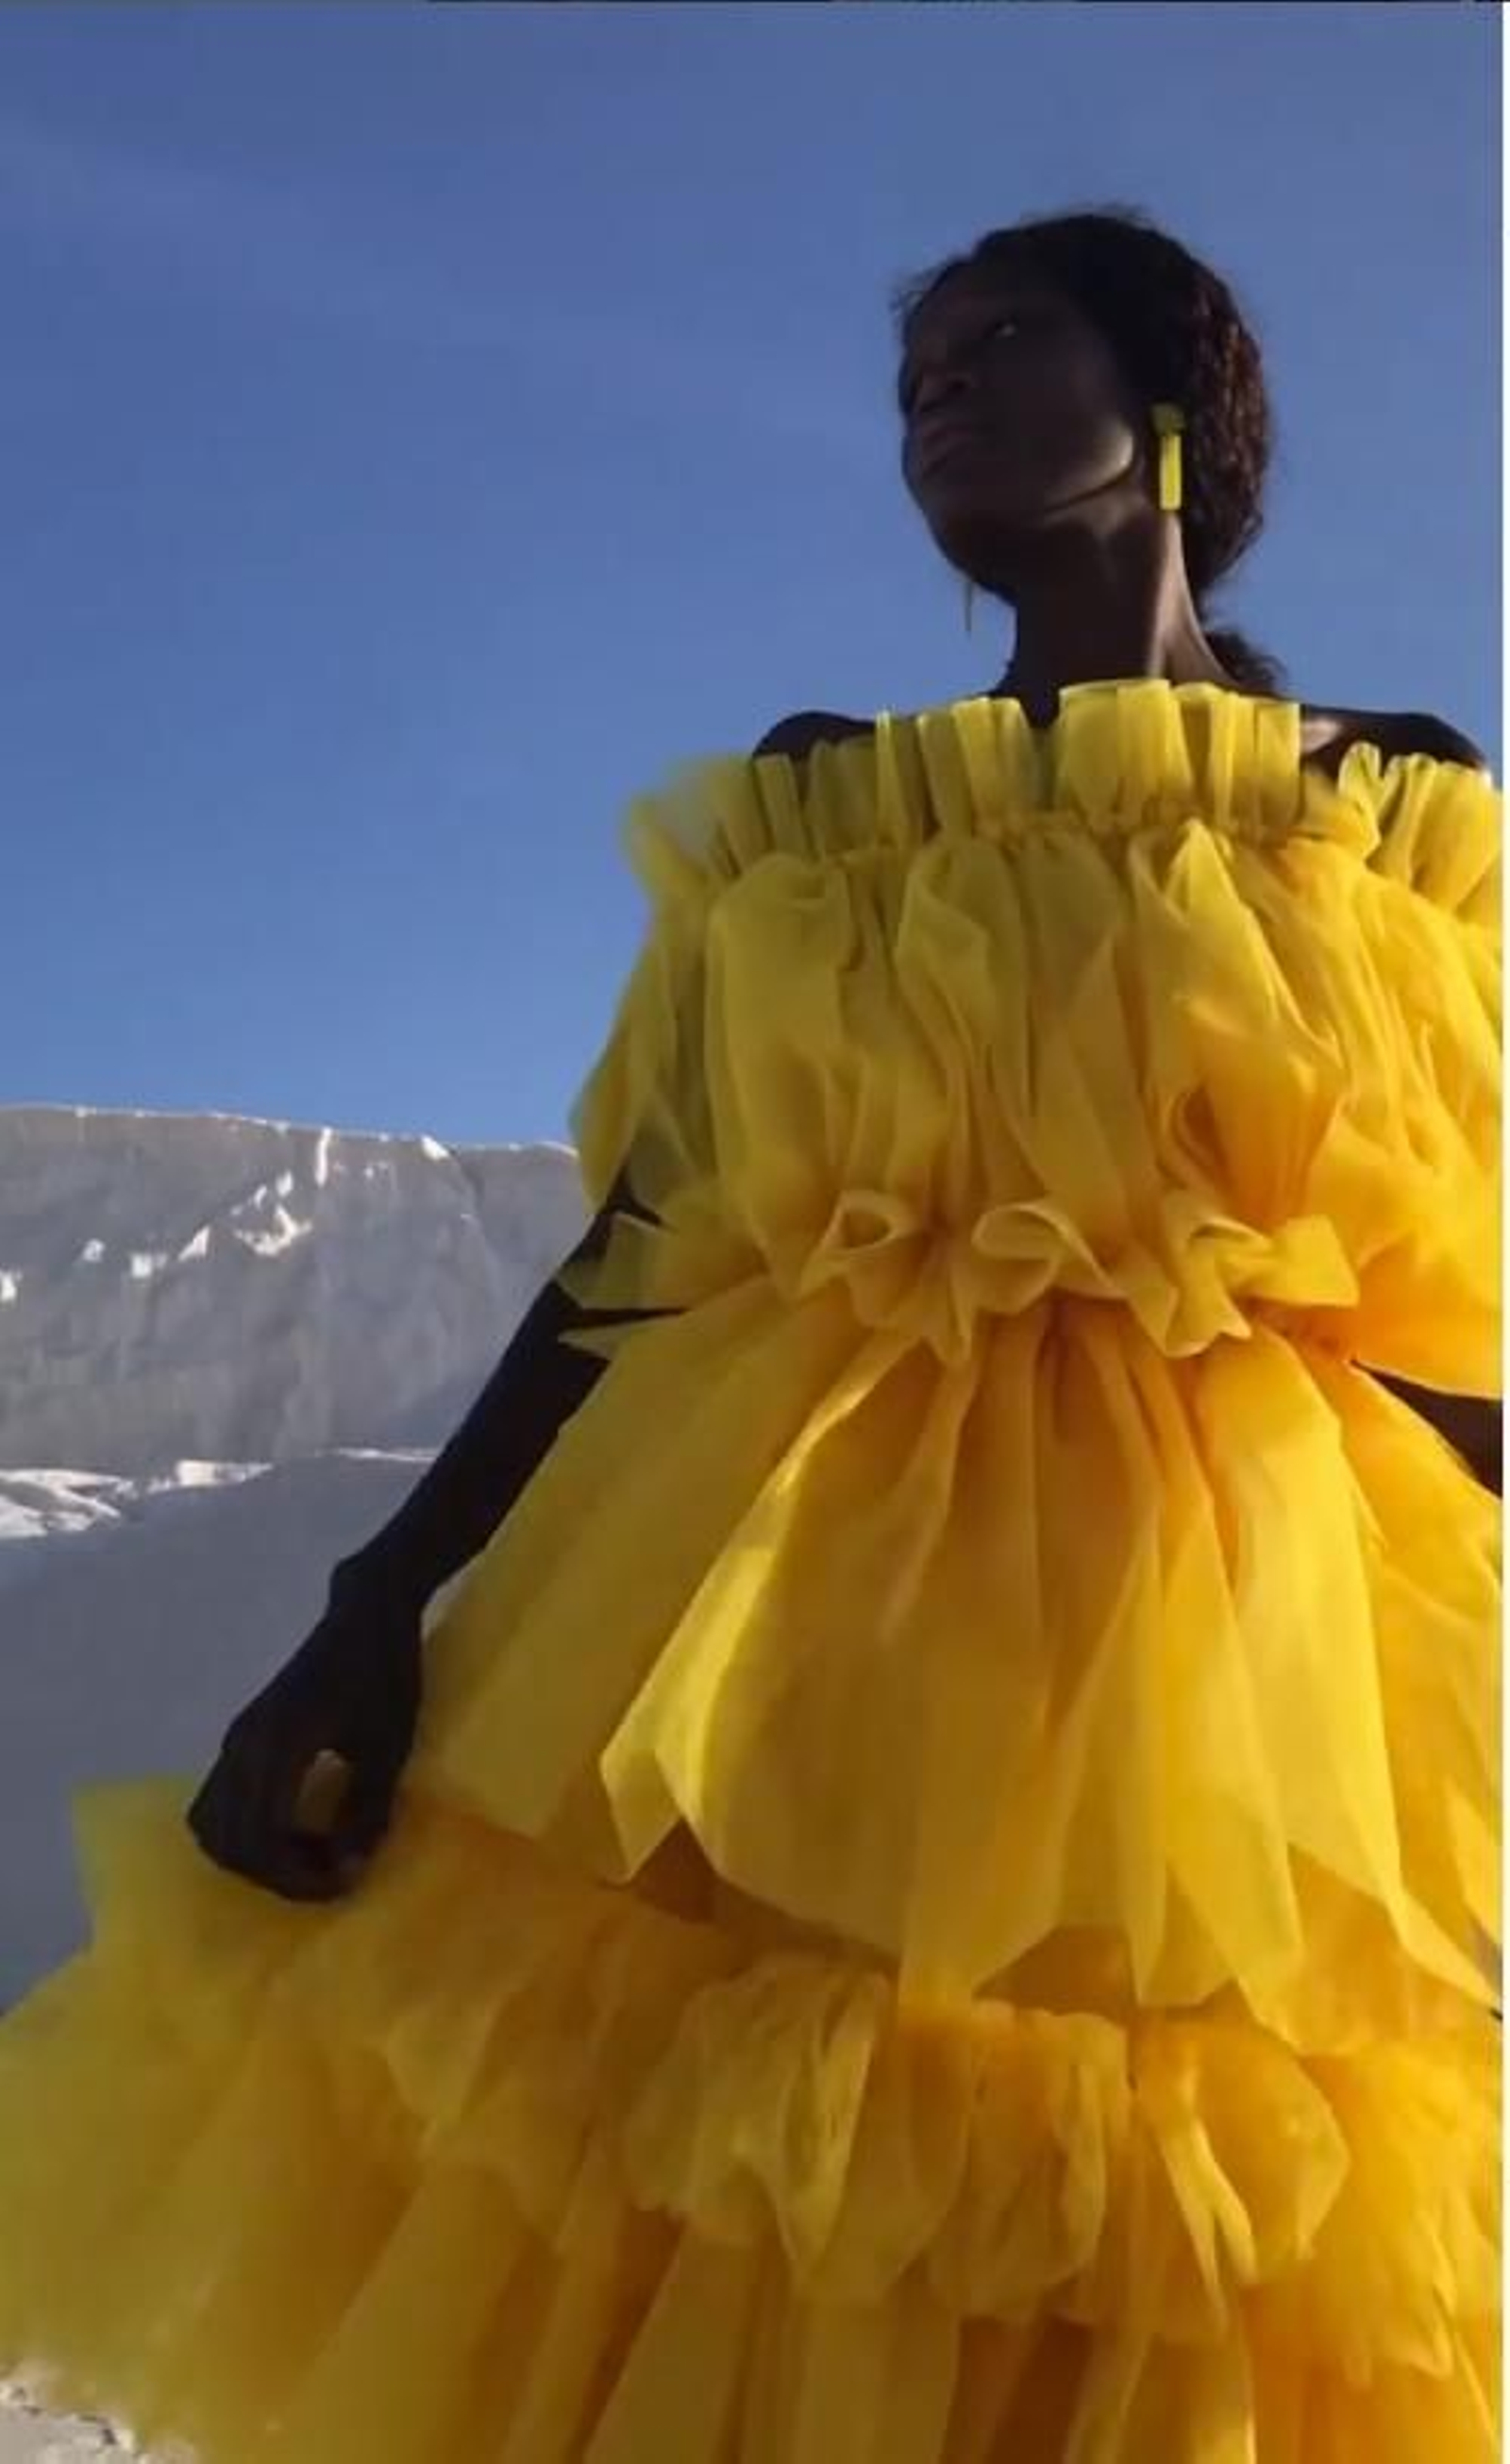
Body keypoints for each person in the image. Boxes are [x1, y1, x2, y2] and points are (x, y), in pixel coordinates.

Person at [0, 204, 1498, 2464]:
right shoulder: (813, 809)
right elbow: (640, 1243)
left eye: (1005, 341)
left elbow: (1454, 1291)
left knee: (1151, 2222)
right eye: (917, 367)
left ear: (1171, 407)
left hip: (1224, 1690)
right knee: (736, 2205)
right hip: (774, 1650)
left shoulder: (1388, 809)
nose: (937, 388)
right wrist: (371, 1601)